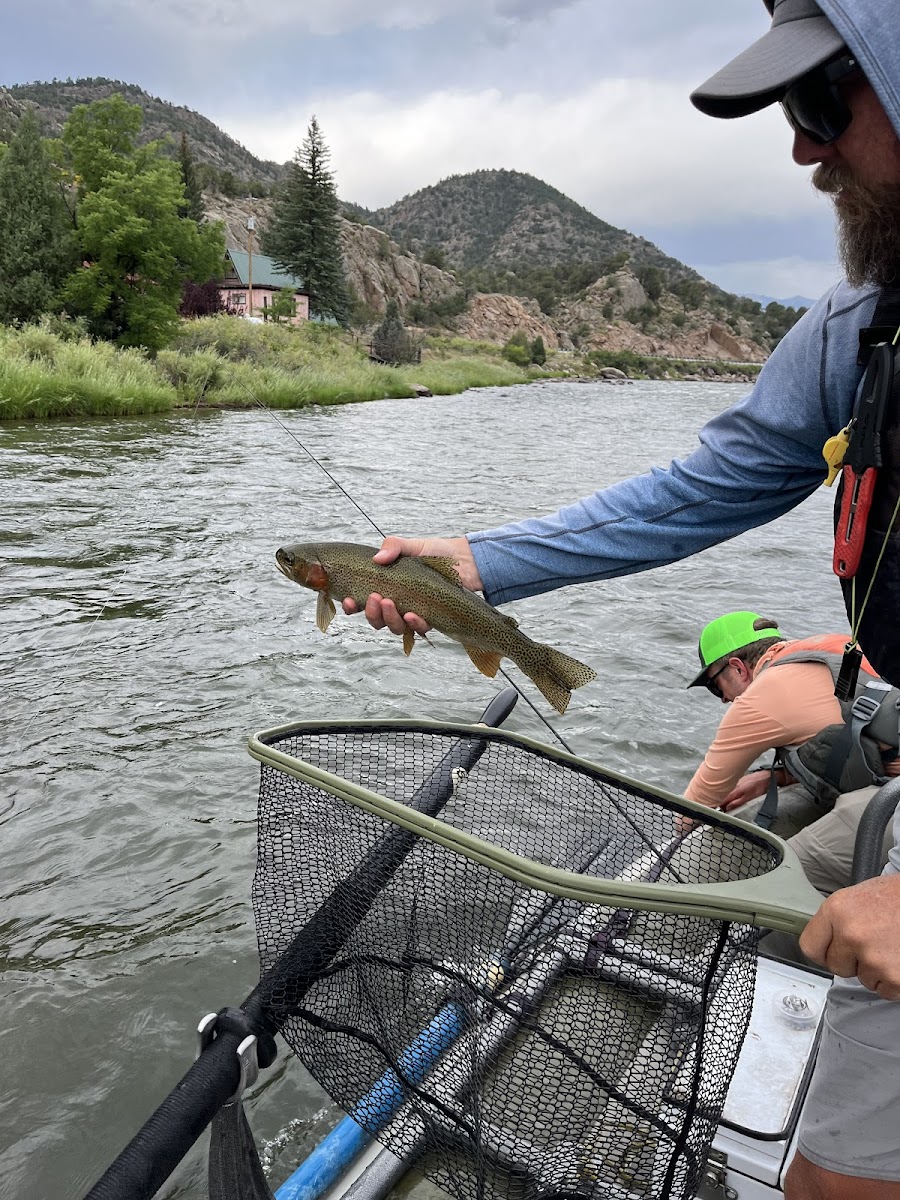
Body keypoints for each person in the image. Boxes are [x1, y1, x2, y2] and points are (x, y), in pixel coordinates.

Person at [343, 2, 900, 1195]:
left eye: (821, 103)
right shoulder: (860, 329)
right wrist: (476, 569)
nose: (804, 151)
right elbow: (705, 485)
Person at [685, 609, 899, 895]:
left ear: (737, 667)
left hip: (891, 802)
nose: (724, 699)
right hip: (887, 789)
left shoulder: (758, 698)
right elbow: (844, 746)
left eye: (715, 686)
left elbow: (693, 809)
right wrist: (778, 777)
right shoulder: (827, 651)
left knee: (782, 875)